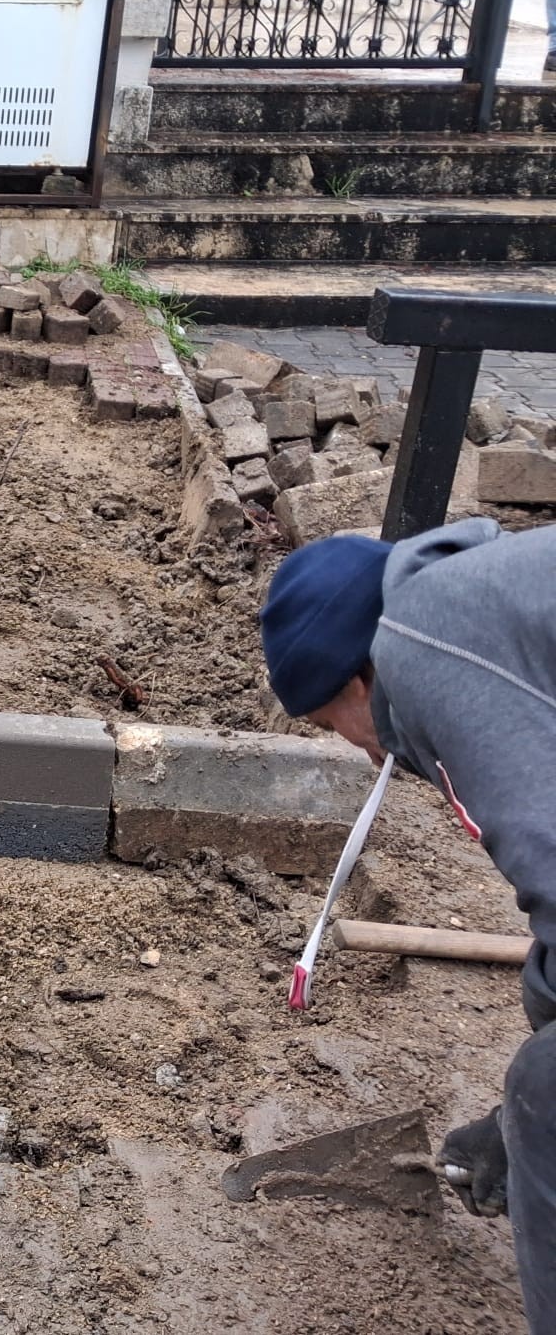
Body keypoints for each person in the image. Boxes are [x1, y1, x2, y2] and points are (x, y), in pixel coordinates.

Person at [259, 520, 556, 1331]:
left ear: (359, 679)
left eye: (328, 725)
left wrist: (525, 1108)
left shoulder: (428, 655)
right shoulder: (486, 599)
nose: (355, 750)